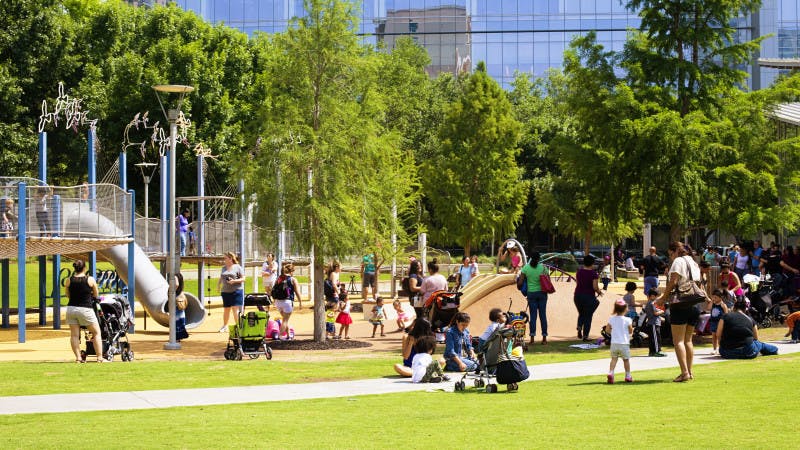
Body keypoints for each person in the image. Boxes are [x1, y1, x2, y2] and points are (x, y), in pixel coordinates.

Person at [657, 241, 703, 383]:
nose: (670, 258)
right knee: (688, 340)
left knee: (678, 341)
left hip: (681, 303)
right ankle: (689, 371)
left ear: (675, 251)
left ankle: (684, 373)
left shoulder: (678, 261)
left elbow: (674, 281)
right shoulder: (693, 261)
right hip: (694, 304)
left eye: (670, 254)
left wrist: (663, 297)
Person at [64, 260, 104, 363]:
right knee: (96, 332)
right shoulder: (90, 279)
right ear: (84, 268)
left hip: (71, 308)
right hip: (85, 309)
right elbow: (96, 294)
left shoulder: (69, 280)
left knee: (74, 335)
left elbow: (68, 295)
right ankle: (99, 358)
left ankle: (78, 358)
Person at [519, 251, 550, 345]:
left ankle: (532, 338)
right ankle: (544, 338)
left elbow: (520, 283)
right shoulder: (543, 268)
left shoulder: (526, 268)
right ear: (539, 258)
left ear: (531, 258)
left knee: (533, 316)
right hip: (542, 294)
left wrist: (521, 285)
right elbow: (548, 281)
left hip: (531, 294)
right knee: (543, 315)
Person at [573, 255, 602, 342]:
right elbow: (595, 287)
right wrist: (599, 292)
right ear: (592, 263)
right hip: (588, 296)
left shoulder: (579, 272)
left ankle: (579, 325)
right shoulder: (593, 273)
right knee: (588, 316)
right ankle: (585, 336)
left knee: (581, 312)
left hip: (577, 295)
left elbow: (578, 283)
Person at [606, 299, 633, 384]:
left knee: (614, 359)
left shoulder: (612, 319)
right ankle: (628, 376)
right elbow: (630, 331)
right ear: (625, 309)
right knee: (626, 360)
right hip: (624, 343)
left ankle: (611, 372)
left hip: (614, 343)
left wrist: (613, 333)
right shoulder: (628, 320)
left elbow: (607, 330)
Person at [217, 251, 245, 333]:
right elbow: (221, 277)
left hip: (236, 291)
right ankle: (225, 326)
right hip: (225, 291)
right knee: (226, 309)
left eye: (225, 258)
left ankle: (238, 327)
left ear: (230, 259)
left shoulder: (238, 267)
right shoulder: (223, 268)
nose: (224, 260)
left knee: (235, 309)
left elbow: (243, 279)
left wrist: (234, 281)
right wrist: (218, 285)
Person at [274, 263, 301, 340]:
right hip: (287, 302)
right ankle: (279, 336)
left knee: (285, 319)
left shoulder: (279, 278)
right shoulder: (293, 279)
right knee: (285, 320)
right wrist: (300, 302)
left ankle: (289, 335)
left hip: (278, 302)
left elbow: (274, 289)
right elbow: (297, 292)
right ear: (291, 271)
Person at [643, 288, 666, 357]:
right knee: (656, 338)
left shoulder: (650, 303)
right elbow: (655, 313)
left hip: (653, 323)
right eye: (657, 296)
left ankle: (652, 351)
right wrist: (662, 311)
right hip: (653, 323)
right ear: (652, 296)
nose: (657, 298)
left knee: (652, 338)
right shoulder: (651, 303)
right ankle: (657, 351)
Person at [708, 289, 729, 355]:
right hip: (713, 322)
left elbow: (726, 314)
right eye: (713, 297)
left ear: (721, 297)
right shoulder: (713, 304)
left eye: (715, 297)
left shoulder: (723, 305)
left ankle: (721, 348)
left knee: (719, 336)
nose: (714, 299)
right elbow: (708, 308)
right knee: (714, 336)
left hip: (720, 323)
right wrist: (711, 301)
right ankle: (714, 349)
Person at [174, 272, 189, 341]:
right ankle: (180, 335)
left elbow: (176, 284)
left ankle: (177, 336)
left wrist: (172, 290)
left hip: (176, 297)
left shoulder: (175, 277)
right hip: (180, 298)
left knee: (176, 319)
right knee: (180, 318)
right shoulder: (181, 289)